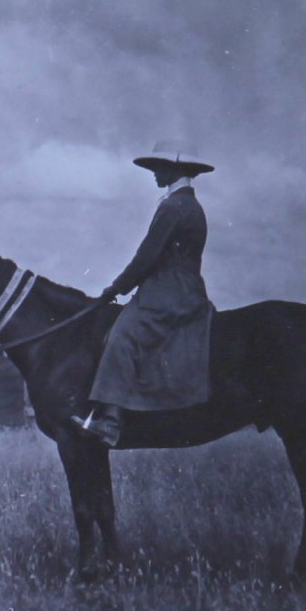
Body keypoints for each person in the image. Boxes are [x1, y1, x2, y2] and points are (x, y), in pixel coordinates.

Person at [72, 140, 215, 446]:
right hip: (187, 289)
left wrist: (115, 289)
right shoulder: (191, 205)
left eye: (158, 168)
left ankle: (110, 419)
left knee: (121, 335)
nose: (153, 174)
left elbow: (147, 257)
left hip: (167, 291)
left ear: (174, 169)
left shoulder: (173, 207)